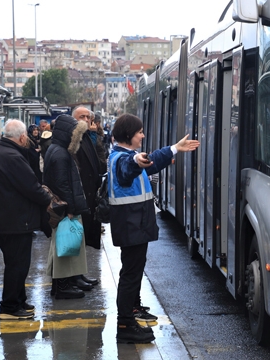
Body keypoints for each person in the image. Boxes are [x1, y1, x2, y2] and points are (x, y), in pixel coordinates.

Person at [109, 114, 199, 343]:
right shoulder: (123, 159)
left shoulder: (121, 155)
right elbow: (131, 166)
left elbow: (148, 163)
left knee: (132, 273)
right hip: (132, 225)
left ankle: (129, 317)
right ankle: (125, 324)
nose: (142, 135)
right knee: (130, 275)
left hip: (133, 225)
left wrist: (174, 150)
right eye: (139, 131)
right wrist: (138, 160)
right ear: (129, 135)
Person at [0, 120, 52, 320]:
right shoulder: (12, 156)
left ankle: (19, 299)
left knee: (15, 263)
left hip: (5, 219)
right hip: (14, 220)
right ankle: (10, 306)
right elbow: (31, 187)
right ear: (22, 137)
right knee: (18, 265)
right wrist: (48, 198)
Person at [43, 114, 91, 299]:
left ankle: (61, 285)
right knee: (63, 247)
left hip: (59, 207)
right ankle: (63, 287)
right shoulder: (61, 153)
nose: (77, 139)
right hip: (63, 208)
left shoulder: (55, 149)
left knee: (61, 245)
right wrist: (70, 208)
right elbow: (63, 184)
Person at [72, 106, 105, 259]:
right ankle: (75, 277)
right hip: (78, 194)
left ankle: (79, 275)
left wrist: (94, 138)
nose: (86, 120)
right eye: (82, 117)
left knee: (85, 235)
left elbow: (101, 165)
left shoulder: (91, 137)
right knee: (76, 237)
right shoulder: (71, 138)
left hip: (90, 194)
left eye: (88, 117)